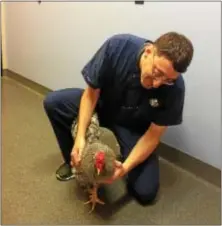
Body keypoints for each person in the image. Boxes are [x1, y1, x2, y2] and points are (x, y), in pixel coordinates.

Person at [43, 32, 194, 205]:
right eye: (156, 72)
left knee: (146, 192)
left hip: (133, 126)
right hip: (101, 106)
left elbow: (153, 135)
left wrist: (124, 169)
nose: (158, 83)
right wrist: (80, 138)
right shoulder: (118, 46)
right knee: (54, 102)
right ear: (148, 51)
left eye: (168, 79)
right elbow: (91, 93)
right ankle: (73, 161)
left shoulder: (175, 88)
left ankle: (124, 157)